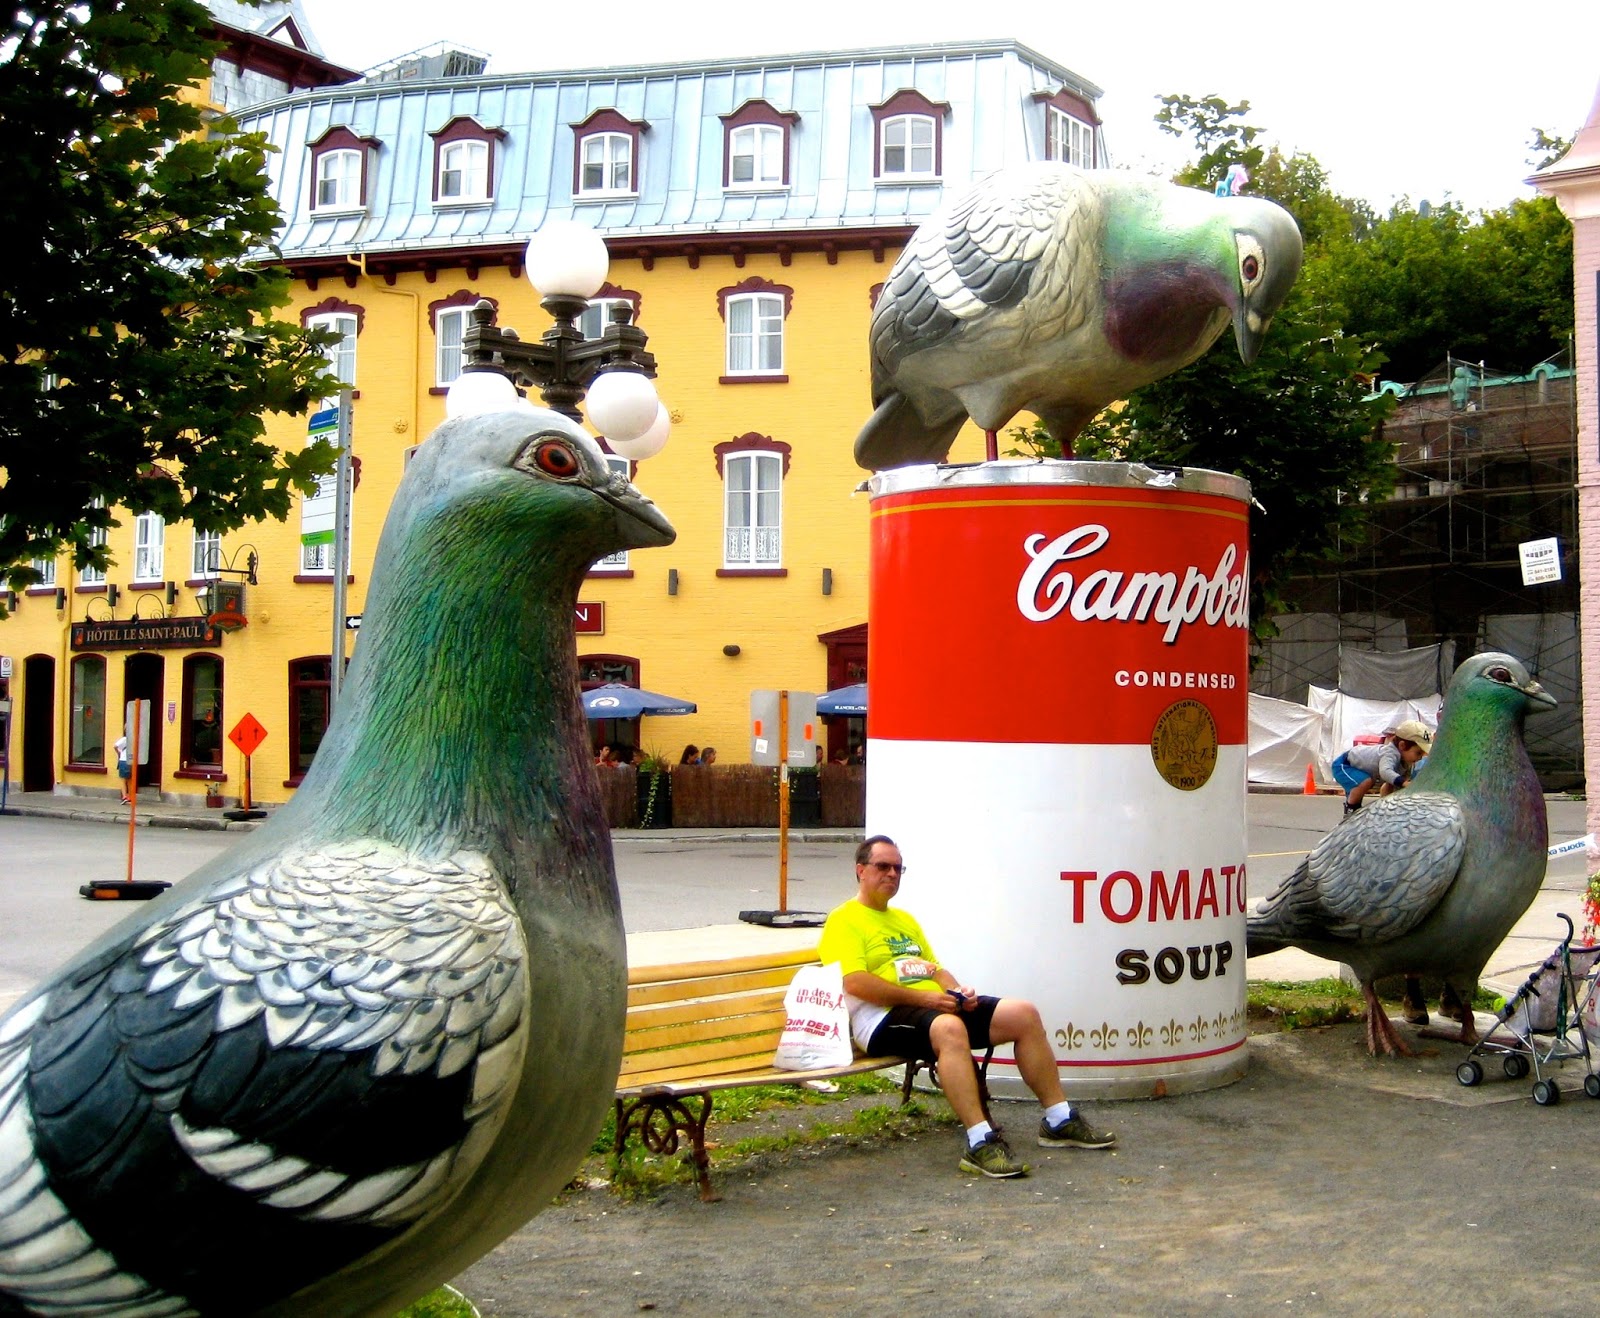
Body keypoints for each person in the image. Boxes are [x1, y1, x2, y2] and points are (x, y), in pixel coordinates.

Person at [818, 835, 1116, 1179]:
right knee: (950, 1028)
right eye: (883, 866)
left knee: (1023, 1014)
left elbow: (934, 970)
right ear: (860, 870)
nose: (892, 874)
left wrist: (958, 992)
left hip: (930, 1008)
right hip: (879, 1019)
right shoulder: (844, 919)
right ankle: (979, 1141)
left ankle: (1058, 1119)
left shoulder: (904, 920)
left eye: (898, 868)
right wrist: (925, 999)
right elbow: (855, 982)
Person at [1330, 719, 1432, 814]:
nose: (1420, 758)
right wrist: (1404, 783)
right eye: (1418, 753)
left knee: (1391, 783)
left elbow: (1391, 785)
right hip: (1344, 764)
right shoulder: (1389, 753)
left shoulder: (1405, 762)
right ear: (1402, 745)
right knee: (1365, 781)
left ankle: (1384, 807)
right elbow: (1385, 772)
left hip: (1359, 769)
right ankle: (1351, 809)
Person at [113, 734, 132, 804]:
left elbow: (115, 746)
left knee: (123, 779)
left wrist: (119, 753)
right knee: (130, 779)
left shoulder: (125, 739)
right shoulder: (136, 739)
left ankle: (124, 796)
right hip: (131, 761)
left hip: (124, 760)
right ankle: (130, 796)